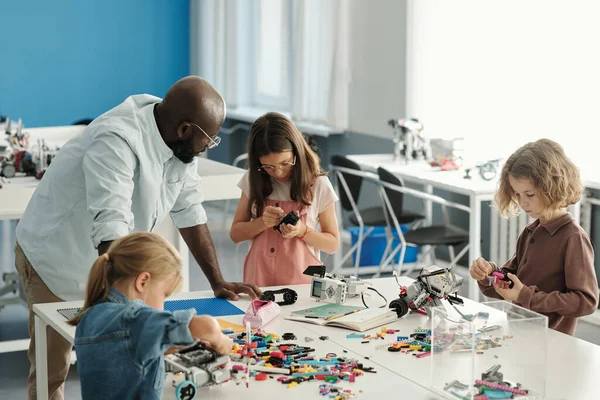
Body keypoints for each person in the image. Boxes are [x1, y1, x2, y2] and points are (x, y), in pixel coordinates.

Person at [14, 76, 260, 400]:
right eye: (209, 140)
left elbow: (189, 209)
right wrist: (126, 313)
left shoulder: (178, 142)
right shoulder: (117, 140)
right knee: (52, 375)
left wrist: (217, 280)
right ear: (185, 129)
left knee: (125, 352)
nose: (207, 147)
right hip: (56, 259)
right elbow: (111, 227)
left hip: (112, 264)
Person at [67, 232, 233, 400]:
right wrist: (221, 341)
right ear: (143, 282)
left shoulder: (90, 316)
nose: (163, 306)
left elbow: (125, 352)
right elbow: (207, 327)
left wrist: (172, 345)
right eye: (164, 295)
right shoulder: (134, 318)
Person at [470, 138, 598, 335]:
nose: (522, 202)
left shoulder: (573, 238)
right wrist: (489, 274)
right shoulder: (531, 231)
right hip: (520, 332)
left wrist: (525, 295)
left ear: (552, 187)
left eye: (529, 194)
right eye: (518, 195)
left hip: (552, 341)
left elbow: (586, 302)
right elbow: (511, 283)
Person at [230, 112, 339, 286]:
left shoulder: (319, 185)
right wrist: (261, 222)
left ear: (297, 152)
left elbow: (332, 245)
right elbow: (235, 234)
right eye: (268, 166)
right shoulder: (253, 179)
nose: (278, 172)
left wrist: (302, 231)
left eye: (285, 163)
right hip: (259, 281)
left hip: (302, 284)